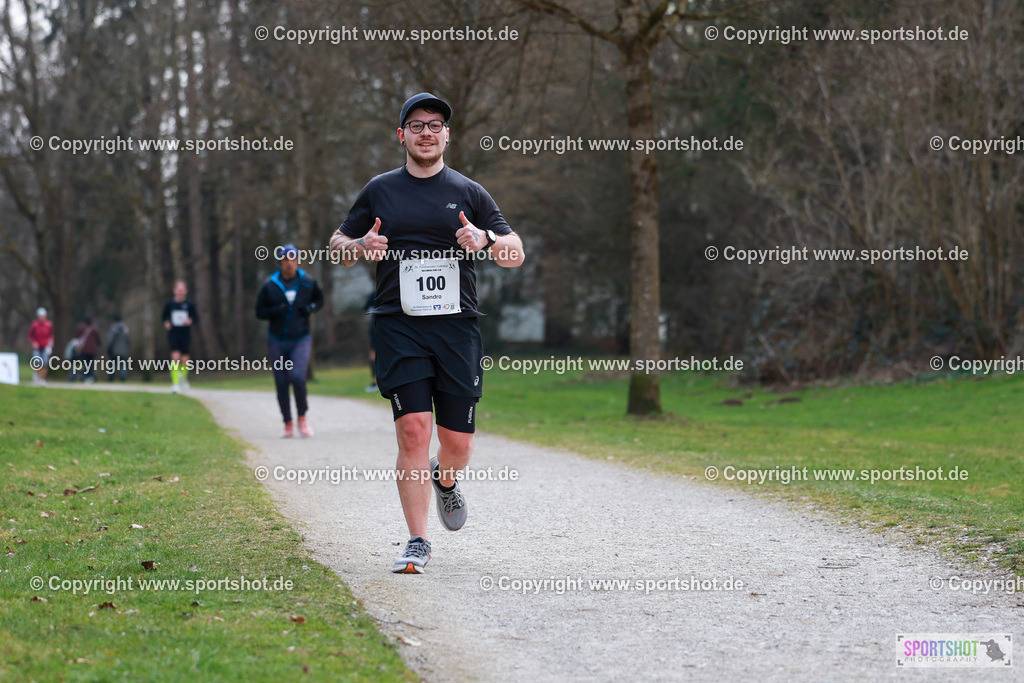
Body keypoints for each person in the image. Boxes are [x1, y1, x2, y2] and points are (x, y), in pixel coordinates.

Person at [328, 92, 525, 574]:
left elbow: (516, 251)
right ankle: (417, 540)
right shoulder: (380, 190)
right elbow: (335, 247)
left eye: (435, 125)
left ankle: (447, 478)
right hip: (399, 327)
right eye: (416, 126)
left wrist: (487, 239)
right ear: (402, 135)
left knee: (457, 441)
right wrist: (359, 244)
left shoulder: (470, 191)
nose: (426, 133)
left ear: (447, 136)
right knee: (413, 431)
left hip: (457, 329)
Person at [255, 244, 324, 437]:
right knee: (281, 381)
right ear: (280, 262)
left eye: (293, 258)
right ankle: (287, 422)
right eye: (285, 259)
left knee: (297, 377)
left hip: (301, 338)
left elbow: (320, 301)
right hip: (276, 340)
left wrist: (310, 308)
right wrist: (275, 311)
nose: (289, 263)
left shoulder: (308, 282)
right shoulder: (270, 285)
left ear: (298, 260)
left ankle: (302, 417)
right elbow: (259, 311)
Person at [162, 281, 197, 393]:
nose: (180, 291)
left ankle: (183, 378)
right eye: (178, 289)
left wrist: (189, 321)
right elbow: (163, 317)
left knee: (185, 360)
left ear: (185, 291)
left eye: (182, 289)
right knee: (175, 358)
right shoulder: (170, 304)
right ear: (175, 290)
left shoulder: (189, 304)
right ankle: (175, 383)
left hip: (185, 334)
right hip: (173, 334)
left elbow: (195, 317)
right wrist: (166, 323)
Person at [28, 307, 54, 385]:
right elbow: (30, 335)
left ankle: (42, 378)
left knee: (45, 362)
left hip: (45, 346)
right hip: (37, 347)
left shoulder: (48, 324)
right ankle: (36, 376)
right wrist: (33, 342)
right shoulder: (35, 325)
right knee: (37, 362)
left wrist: (51, 341)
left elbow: (51, 335)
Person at [74, 316, 101, 383]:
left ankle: (87, 376)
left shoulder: (81, 327)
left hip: (84, 350)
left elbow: (77, 336)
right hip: (92, 350)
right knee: (90, 364)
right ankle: (90, 376)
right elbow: (98, 338)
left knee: (85, 363)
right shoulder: (94, 328)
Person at [106, 315, 131, 382]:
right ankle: (123, 377)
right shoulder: (126, 329)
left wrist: (108, 349)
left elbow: (110, 340)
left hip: (114, 351)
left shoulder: (113, 328)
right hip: (123, 351)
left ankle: (111, 377)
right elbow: (128, 341)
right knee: (122, 364)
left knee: (112, 365)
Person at [364, 291, 378, 393]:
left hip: (375, 326)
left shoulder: (374, 293)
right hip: (392, 328)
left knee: (373, 354)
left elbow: (366, 308)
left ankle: (374, 382)